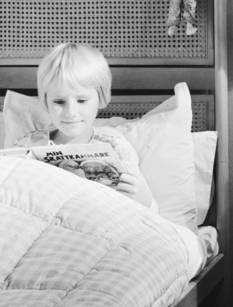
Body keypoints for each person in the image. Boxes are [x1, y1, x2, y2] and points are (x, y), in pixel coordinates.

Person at [11, 42, 157, 212]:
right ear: (46, 101)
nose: (71, 113)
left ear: (100, 98)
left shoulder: (114, 144)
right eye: (59, 101)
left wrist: (143, 199)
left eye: (81, 100)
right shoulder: (27, 145)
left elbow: (151, 212)